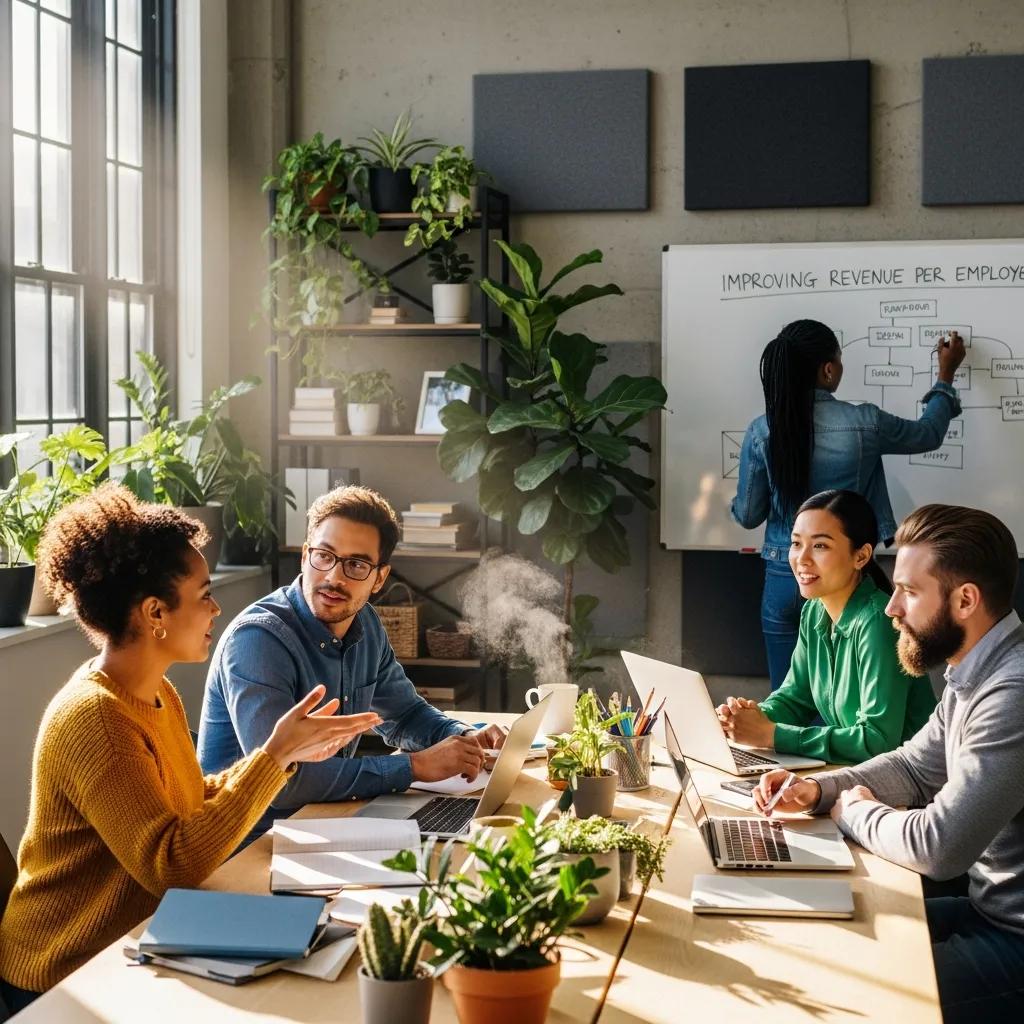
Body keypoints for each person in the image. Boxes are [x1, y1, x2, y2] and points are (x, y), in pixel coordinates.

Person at [0, 485, 380, 1009]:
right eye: (204, 595)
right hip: (65, 972)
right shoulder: (97, 719)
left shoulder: (157, 693)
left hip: (143, 939)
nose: (216, 608)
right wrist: (270, 760)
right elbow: (171, 861)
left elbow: (183, 799)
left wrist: (282, 757)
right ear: (156, 613)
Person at [754, 504, 1024, 1023]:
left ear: (965, 599)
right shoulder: (975, 671)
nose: (890, 608)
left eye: (910, 592)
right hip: (986, 911)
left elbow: (939, 847)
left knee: (843, 999)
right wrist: (818, 791)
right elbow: (914, 768)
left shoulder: (1011, 691)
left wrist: (854, 813)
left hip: (1014, 939)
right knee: (821, 945)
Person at [198, 485, 506, 848]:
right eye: (324, 556)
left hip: (323, 824)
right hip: (250, 843)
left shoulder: (367, 625)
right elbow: (283, 782)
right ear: (304, 557)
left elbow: (405, 715)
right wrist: (415, 767)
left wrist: (462, 738)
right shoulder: (258, 640)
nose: (334, 577)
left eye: (356, 565)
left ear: (379, 578)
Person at [732, 319, 966, 690]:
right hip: (844, 578)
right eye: (838, 361)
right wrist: (945, 376)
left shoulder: (762, 430)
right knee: (845, 701)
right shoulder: (864, 422)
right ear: (828, 370)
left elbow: (747, 515)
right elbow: (928, 433)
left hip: (783, 577)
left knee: (785, 700)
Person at [717, 489, 936, 764]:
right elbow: (796, 698)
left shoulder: (879, 621)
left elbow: (877, 740)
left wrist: (771, 734)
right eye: (796, 544)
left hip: (911, 787)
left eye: (820, 546)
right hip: (858, 777)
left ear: (861, 556)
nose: (802, 559)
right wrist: (749, 718)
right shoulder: (814, 610)